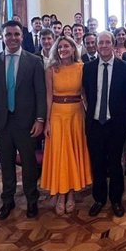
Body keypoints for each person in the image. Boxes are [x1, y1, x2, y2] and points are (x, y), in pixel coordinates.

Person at [0, 20, 47, 220]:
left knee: (29, 164)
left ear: (22, 36)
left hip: (27, 123)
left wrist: (40, 119)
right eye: (8, 34)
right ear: (3, 37)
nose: (12, 38)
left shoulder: (34, 61)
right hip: (1, 123)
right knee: (7, 164)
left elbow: (40, 93)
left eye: (16, 34)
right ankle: (7, 200)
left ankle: (32, 200)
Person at [82, 31, 126, 217]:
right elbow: (87, 93)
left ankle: (115, 199)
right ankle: (99, 198)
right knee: (96, 163)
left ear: (113, 44)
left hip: (116, 123)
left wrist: (116, 113)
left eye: (107, 42)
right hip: (95, 123)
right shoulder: (88, 68)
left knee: (115, 163)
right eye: (100, 42)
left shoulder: (124, 66)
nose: (104, 46)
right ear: (96, 45)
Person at [42, 35, 91, 215]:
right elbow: (48, 96)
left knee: (72, 154)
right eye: (60, 46)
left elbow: (85, 94)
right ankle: (60, 194)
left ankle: (70, 194)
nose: (63, 49)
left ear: (73, 49)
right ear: (57, 49)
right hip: (57, 115)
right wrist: (46, 121)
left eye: (67, 46)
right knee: (60, 155)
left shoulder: (82, 68)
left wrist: (88, 117)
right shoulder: (51, 69)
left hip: (76, 115)